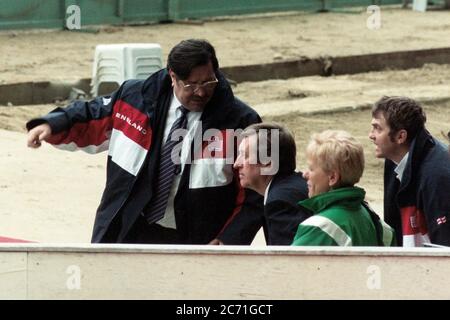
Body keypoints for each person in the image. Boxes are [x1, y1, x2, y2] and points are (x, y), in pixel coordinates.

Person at [26, 39, 262, 244]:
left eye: (209, 83)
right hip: (128, 229)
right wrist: (53, 124)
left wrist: (231, 237)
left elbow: (258, 191)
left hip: (197, 241)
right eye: (191, 85)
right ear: (172, 76)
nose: (201, 92)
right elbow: (92, 114)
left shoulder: (243, 122)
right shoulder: (133, 98)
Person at [369, 96, 450, 247]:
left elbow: (444, 247)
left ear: (401, 136)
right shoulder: (394, 160)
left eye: (378, 128)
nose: (371, 135)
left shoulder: (437, 177)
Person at [292, 130, 395, 246]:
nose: (304, 174)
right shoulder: (377, 223)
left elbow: (287, 264)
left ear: (332, 177)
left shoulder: (318, 228)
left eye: (311, 169)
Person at [212, 123, 310, 245]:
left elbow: (286, 260)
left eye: (245, 156)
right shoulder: (292, 187)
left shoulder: (280, 201)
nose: (236, 164)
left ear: (268, 163)